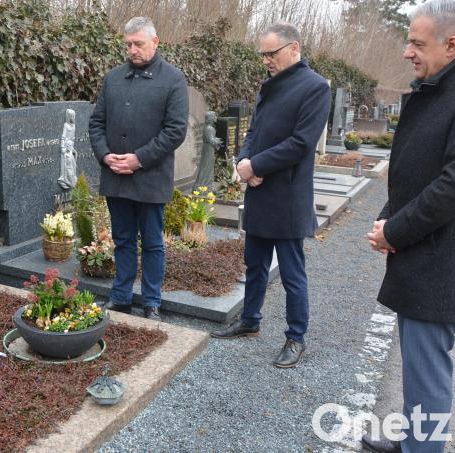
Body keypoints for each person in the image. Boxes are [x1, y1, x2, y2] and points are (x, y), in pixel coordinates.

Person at [362, 1, 455, 452]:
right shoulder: (437, 90)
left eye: (416, 43)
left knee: (427, 367)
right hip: (424, 254)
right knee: (416, 363)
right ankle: (414, 440)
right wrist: (389, 217)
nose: (407, 51)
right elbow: (416, 171)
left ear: (451, 45)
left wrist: (395, 231)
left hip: (443, 261)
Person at [210, 22, 331, 369]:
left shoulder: (315, 87)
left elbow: (301, 143)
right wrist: (243, 161)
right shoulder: (269, 85)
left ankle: (296, 337)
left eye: (270, 53)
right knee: (255, 263)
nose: (265, 60)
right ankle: (250, 320)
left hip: (287, 196)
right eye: (262, 54)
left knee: (292, 273)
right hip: (260, 191)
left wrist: (257, 165)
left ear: (294, 49)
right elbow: (254, 131)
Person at [89, 16, 188, 321]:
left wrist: (138, 159)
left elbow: (175, 131)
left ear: (155, 42)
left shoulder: (173, 79)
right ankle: (120, 297)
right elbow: (96, 123)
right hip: (116, 176)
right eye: (128, 44)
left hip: (151, 177)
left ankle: (151, 302)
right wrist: (106, 156)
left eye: (138, 44)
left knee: (153, 243)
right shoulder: (113, 78)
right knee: (122, 239)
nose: (132, 50)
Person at [58, 109, 78, 190]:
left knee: (73, 165)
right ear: (68, 117)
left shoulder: (74, 126)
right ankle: (64, 180)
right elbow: (63, 137)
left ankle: (71, 180)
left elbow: (73, 138)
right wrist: (63, 148)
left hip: (70, 147)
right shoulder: (66, 125)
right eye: (71, 116)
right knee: (66, 165)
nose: (73, 117)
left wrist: (72, 147)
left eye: (74, 116)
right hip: (66, 147)